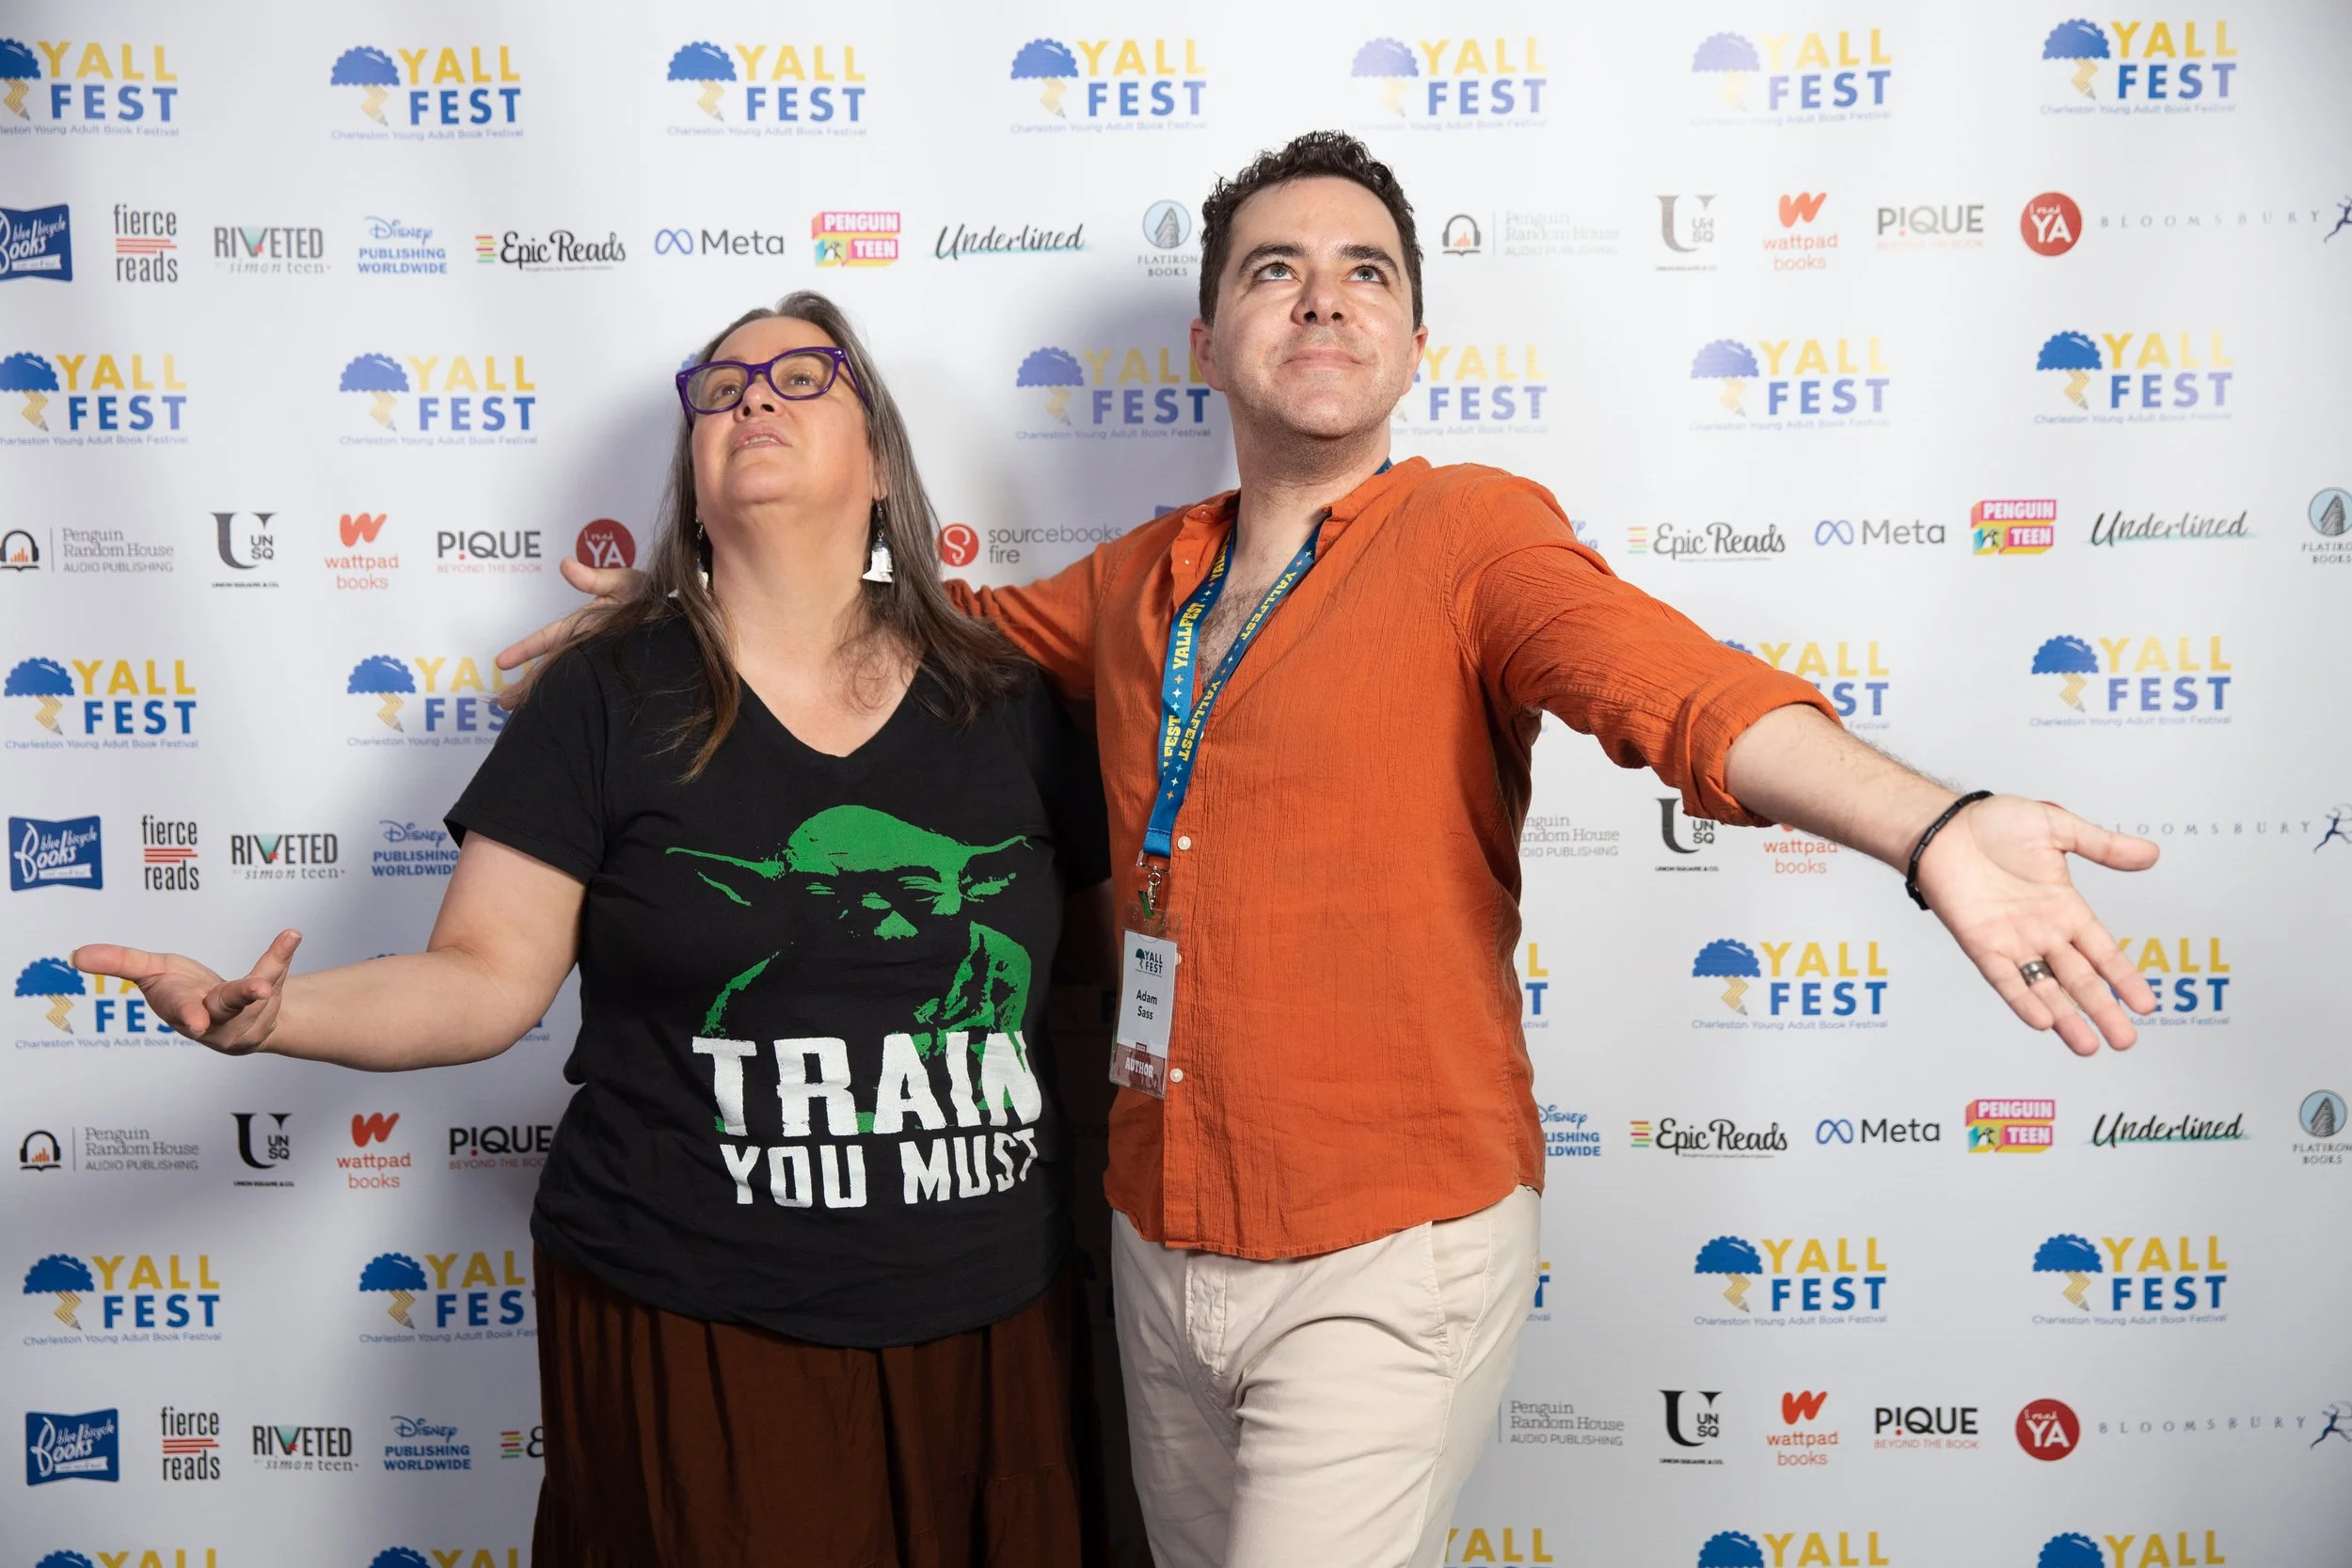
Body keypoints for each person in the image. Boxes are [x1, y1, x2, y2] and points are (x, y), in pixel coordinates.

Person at [502, 135, 2163, 1568]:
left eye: (1365, 271)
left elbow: (1681, 691)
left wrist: (1928, 822)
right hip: (1157, 1239)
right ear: (1211, 337)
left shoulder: (1473, 536)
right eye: (1275, 269)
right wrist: (681, 618)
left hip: (1386, 1242)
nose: (1321, 297)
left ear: (1416, 337)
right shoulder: (1138, 579)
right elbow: (891, 638)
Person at [76, 293, 1110, 1568]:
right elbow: (484, 976)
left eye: (801, 374)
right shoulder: (608, 695)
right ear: (690, 474)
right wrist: (279, 1017)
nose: (754, 400)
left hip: (992, 1323)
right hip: (700, 1318)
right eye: (720, 389)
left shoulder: (1008, 701)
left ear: (883, 459)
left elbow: (1099, 981)